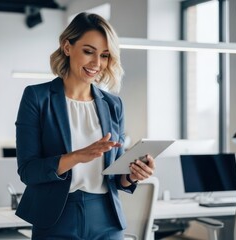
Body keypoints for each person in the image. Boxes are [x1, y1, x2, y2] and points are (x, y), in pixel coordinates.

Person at [15, 12, 155, 239]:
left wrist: (132, 175)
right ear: (67, 47)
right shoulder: (37, 97)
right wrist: (78, 156)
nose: (97, 63)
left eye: (105, 55)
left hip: (107, 218)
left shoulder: (113, 104)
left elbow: (114, 177)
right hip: (55, 217)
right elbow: (28, 171)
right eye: (88, 51)